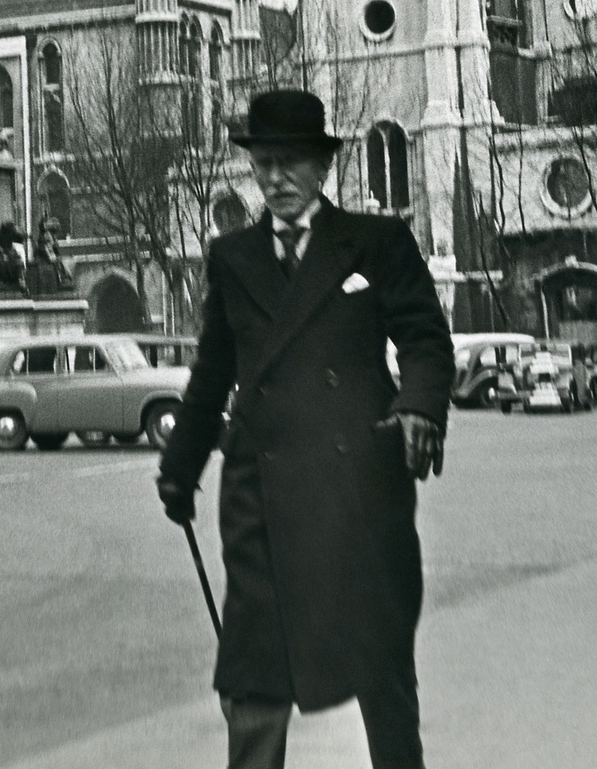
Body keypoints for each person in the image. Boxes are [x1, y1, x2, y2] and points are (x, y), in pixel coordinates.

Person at [156, 89, 454, 769]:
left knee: (381, 671)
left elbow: (424, 339)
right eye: (263, 164)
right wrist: (179, 466)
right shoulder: (231, 257)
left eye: (289, 163)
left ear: (321, 167)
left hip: (358, 492)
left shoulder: (376, 243)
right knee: (255, 677)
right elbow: (210, 375)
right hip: (259, 499)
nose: (275, 180)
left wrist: (417, 408)